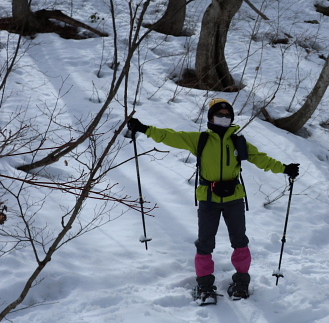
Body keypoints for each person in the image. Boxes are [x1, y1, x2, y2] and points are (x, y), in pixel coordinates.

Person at [127, 98, 299, 302]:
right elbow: (169, 136)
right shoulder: (200, 140)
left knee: (240, 241)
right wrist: (144, 129)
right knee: (205, 244)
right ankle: (205, 287)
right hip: (208, 198)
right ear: (210, 117)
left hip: (234, 198)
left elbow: (261, 159)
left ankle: (241, 284)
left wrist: (284, 168)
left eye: (228, 116)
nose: (224, 118)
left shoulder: (238, 141)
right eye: (220, 115)